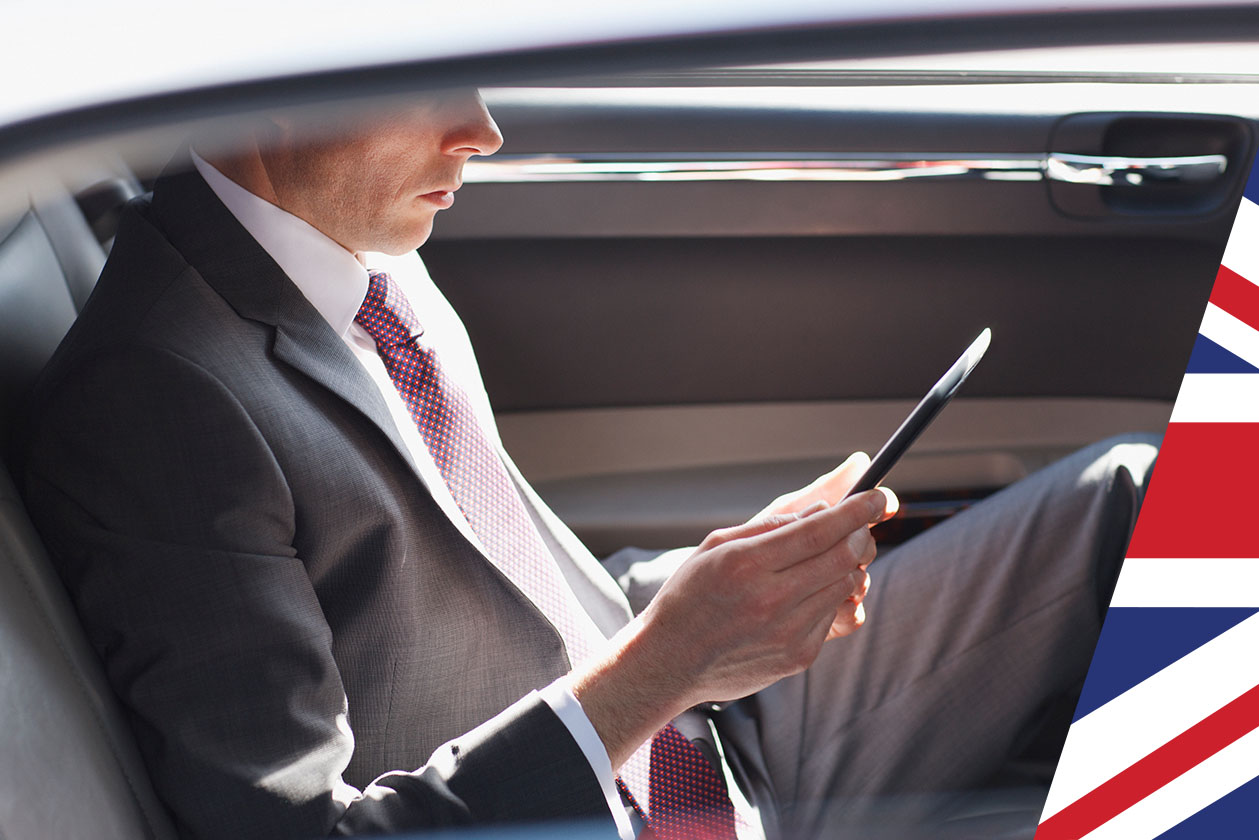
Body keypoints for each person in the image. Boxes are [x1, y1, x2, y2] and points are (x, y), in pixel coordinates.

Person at [19, 90, 1157, 840]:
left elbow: (508, 585)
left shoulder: (359, 255)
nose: (482, 132)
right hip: (597, 795)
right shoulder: (160, 396)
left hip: (707, 746)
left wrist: (711, 592)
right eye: (431, 88)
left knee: (1129, 498)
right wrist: (660, 671)